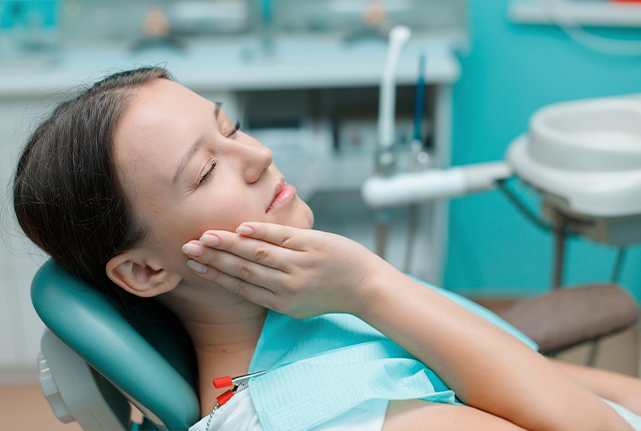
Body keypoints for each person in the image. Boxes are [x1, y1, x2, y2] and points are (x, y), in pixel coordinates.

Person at [12, 67, 641, 431]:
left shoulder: (314, 304)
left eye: (231, 128)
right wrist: (373, 285)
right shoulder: (319, 414)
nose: (259, 156)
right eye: (205, 171)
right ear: (146, 270)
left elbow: (565, 383)